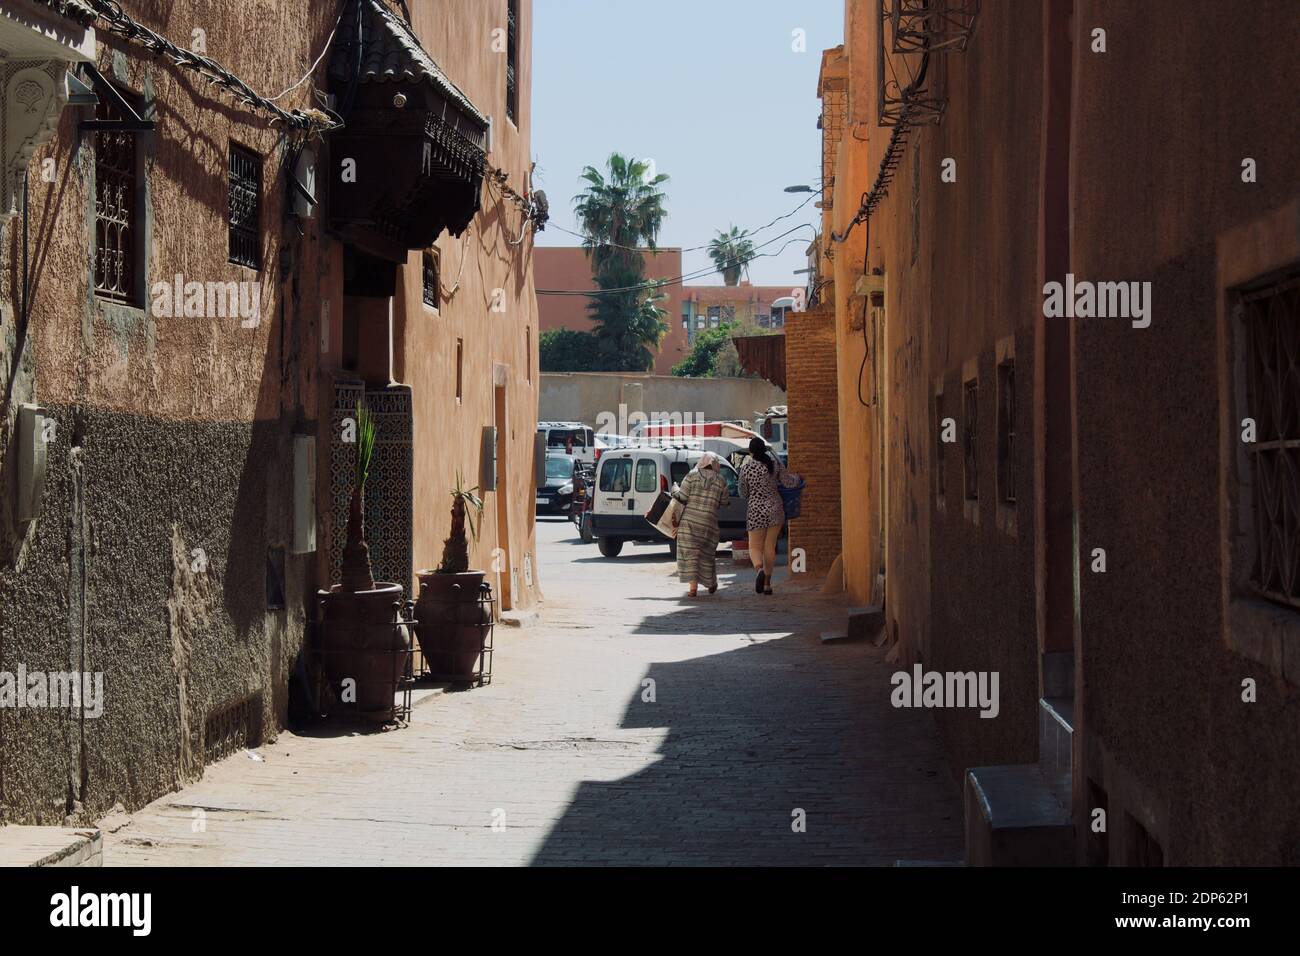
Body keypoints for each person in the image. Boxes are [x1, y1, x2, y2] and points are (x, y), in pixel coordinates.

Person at [739, 437, 801, 595]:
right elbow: (789, 482)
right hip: (775, 508)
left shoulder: (746, 469)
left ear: (751, 452)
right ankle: (767, 584)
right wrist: (799, 478)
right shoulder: (775, 465)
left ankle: (759, 569)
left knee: (754, 546)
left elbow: (743, 493)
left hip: (756, 511)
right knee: (769, 547)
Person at [671, 451, 730, 598]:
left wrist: (674, 488)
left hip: (689, 522)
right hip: (709, 524)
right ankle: (711, 583)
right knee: (707, 555)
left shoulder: (691, 475)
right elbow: (725, 502)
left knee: (691, 554)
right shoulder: (721, 480)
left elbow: (682, 497)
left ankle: (693, 589)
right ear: (716, 464)